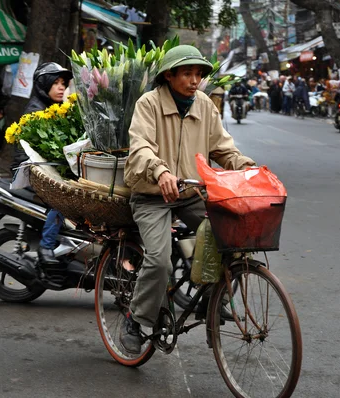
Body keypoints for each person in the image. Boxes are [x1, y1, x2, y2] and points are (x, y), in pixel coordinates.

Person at [120, 45, 256, 354]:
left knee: (233, 239)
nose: (194, 80)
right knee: (159, 261)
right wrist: (160, 171)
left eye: (198, 74)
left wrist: (247, 168)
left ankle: (211, 300)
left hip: (191, 192)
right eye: (187, 73)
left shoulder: (205, 105)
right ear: (169, 75)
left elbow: (223, 148)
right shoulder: (149, 103)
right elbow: (140, 148)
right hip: (152, 194)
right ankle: (135, 318)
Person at [12, 62, 74, 265]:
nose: (61, 87)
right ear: (43, 84)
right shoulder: (35, 111)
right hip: (30, 171)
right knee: (61, 196)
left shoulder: (53, 109)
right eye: (55, 82)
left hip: (46, 168)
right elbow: (30, 154)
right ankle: (46, 246)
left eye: (63, 83)